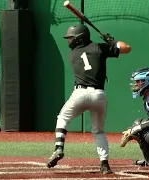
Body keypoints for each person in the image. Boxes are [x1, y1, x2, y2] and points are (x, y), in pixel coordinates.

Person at [46, 23, 131, 174]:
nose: (69, 41)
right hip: (99, 95)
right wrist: (112, 42)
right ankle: (105, 165)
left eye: (71, 37)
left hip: (80, 93)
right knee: (98, 131)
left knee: (62, 118)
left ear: (79, 38)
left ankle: (59, 148)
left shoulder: (72, 54)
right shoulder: (99, 48)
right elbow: (127, 48)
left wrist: (108, 44)